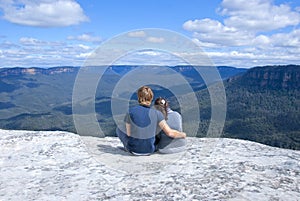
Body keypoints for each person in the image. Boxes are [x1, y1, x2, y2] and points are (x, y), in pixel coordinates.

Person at [116, 86, 186, 155]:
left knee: (119, 129)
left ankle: (127, 147)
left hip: (134, 150)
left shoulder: (130, 111)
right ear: (151, 98)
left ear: (139, 97)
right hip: (150, 150)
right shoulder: (157, 113)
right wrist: (183, 134)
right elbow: (169, 132)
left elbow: (129, 134)